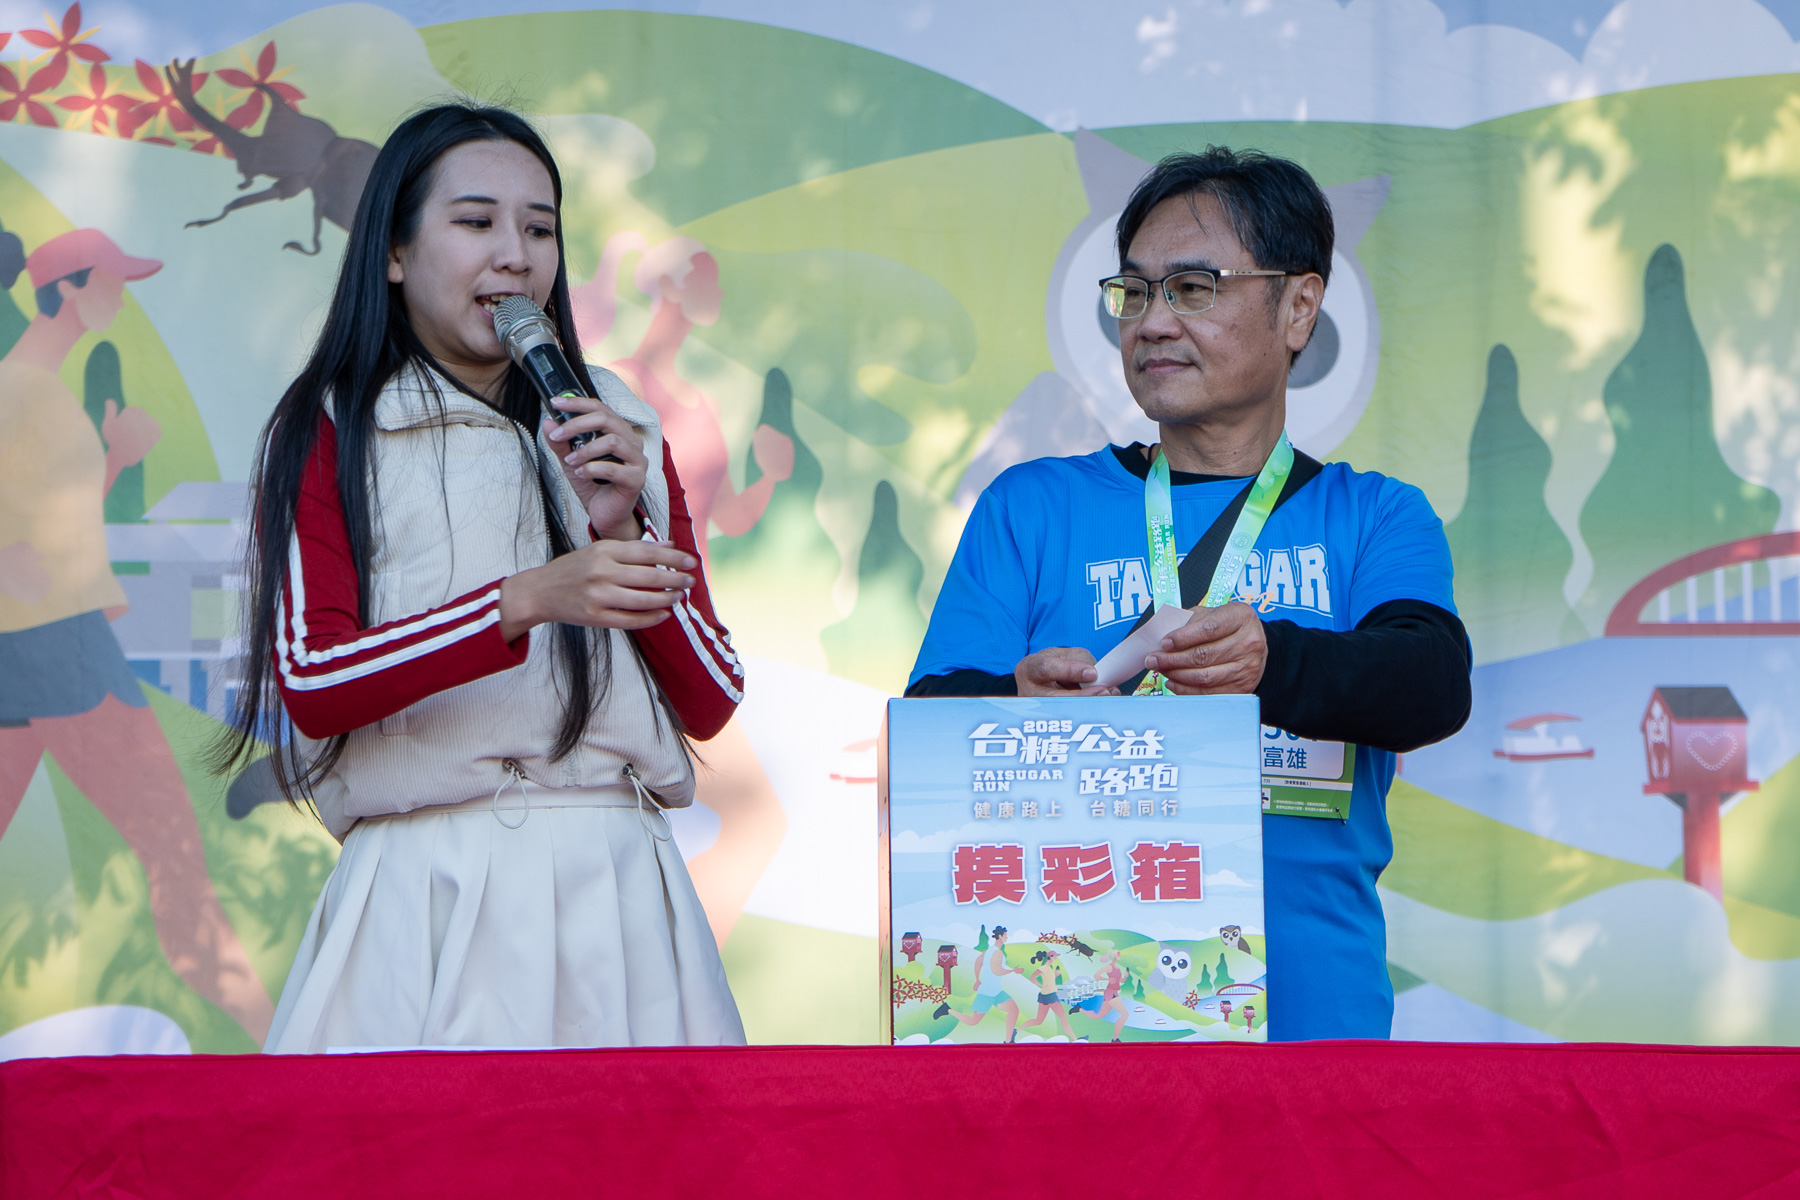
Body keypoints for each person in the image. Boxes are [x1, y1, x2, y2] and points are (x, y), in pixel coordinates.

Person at [908, 147, 1470, 1041]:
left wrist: (1271, 662)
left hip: (1310, 1022)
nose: (1153, 322)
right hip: (1072, 1015)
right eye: (1134, 293)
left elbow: (1431, 682)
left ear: (1299, 307)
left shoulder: (1374, 515)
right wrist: (1013, 702)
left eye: (1194, 288)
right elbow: (925, 738)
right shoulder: (1033, 507)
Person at [227, 103, 747, 1051]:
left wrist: (623, 522)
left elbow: (710, 698)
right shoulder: (332, 425)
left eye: (540, 230)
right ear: (394, 251)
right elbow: (313, 680)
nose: (516, 257)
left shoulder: (618, 424)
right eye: (476, 222)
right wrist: (525, 600)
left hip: (618, 883)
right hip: (428, 881)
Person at [0, 227, 275, 1040]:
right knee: (176, 862)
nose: (120, 296)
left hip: (43, 645)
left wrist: (116, 458)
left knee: (174, 863)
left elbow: (54, 518)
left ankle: (277, 1044)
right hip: (62, 648)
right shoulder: (22, 392)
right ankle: (283, 1050)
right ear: (69, 290)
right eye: (111, 281)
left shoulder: (38, 390)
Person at [932, 925, 1022, 1042]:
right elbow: (996, 971)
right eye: (1005, 935)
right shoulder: (997, 953)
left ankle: (1008, 1040)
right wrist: (1013, 970)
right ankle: (947, 1009)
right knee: (973, 1021)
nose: (1007, 937)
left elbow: (978, 962)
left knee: (1013, 1010)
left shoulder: (989, 951)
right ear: (1000, 936)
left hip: (996, 991)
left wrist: (977, 979)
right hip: (987, 993)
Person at [1021, 947, 1081, 1040]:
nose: (1056, 958)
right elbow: (1032, 977)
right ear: (1050, 957)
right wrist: (1041, 985)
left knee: (1038, 1020)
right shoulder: (1044, 968)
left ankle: (1017, 1031)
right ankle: (1076, 1039)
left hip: (1046, 996)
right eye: (1055, 956)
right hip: (1051, 996)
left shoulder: (1048, 969)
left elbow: (1050, 982)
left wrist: (1056, 976)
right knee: (1063, 1019)